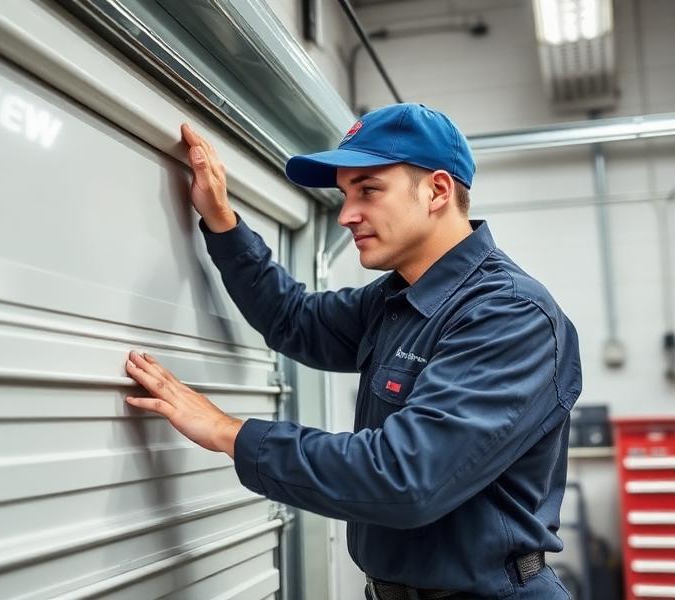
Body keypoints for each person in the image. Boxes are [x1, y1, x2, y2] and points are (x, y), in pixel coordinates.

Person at [125, 103, 581, 599]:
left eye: (368, 189)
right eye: (344, 194)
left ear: (437, 190)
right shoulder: (394, 299)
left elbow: (405, 479)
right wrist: (221, 221)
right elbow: (292, 319)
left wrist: (228, 431)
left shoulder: (508, 315)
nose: (346, 215)